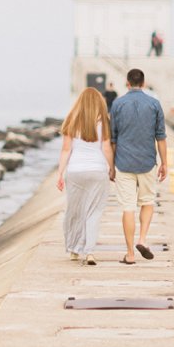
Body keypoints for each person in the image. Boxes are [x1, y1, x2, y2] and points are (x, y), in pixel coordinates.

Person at [109, 68, 167, 265]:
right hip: (147, 162)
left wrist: (111, 166)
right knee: (147, 202)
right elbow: (161, 137)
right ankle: (142, 240)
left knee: (128, 207)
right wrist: (165, 163)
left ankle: (130, 254)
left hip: (123, 162)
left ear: (127, 83)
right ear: (143, 83)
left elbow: (113, 139)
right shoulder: (154, 104)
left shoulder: (117, 104)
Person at [56, 87, 114, 266]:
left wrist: (60, 173)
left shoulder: (71, 120)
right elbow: (106, 147)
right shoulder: (103, 121)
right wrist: (111, 168)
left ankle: (74, 249)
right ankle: (89, 252)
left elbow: (66, 150)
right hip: (97, 171)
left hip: (75, 171)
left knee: (74, 211)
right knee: (94, 213)